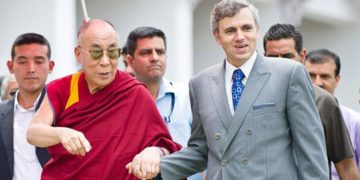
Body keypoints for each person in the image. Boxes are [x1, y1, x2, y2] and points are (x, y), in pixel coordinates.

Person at [128, 0, 328, 179]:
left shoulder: (289, 74)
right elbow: (201, 151)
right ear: (217, 36)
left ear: (257, 31)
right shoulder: (200, 83)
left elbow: (311, 151)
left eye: (247, 28)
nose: (240, 37)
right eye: (231, 31)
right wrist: (159, 165)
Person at [26, 19, 181, 179]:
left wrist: (153, 152)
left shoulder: (135, 92)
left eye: (112, 52)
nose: (105, 62)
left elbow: (165, 145)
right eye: (96, 53)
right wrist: (61, 134)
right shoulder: (63, 88)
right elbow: (33, 132)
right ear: (78, 54)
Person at [263, 23, 360, 180]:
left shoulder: (324, 102)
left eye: (288, 57)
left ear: (302, 57)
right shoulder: (252, 99)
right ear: (264, 58)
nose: (281, 64)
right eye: (273, 58)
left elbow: (346, 167)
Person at [126, 26, 202, 180]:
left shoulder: (187, 96)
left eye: (160, 52)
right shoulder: (121, 102)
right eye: (146, 52)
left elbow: (204, 149)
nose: (154, 57)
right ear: (130, 60)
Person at [0, 33, 52, 180]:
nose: (31, 69)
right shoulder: (1, 113)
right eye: (22, 61)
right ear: (10, 66)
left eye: (39, 61)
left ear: (50, 66)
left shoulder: (65, 112)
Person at [305, 49, 360, 180]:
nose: (317, 82)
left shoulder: (355, 121)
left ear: (337, 79)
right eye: (311, 75)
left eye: (325, 76)